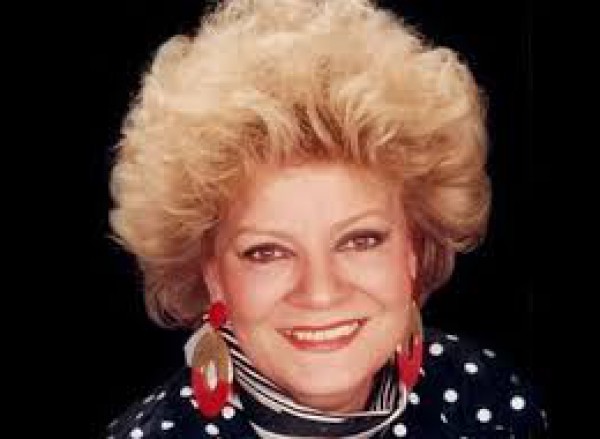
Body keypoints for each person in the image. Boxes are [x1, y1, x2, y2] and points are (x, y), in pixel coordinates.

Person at [105, 0, 546, 437]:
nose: (320, 293)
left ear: (413, 248)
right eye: (267, 252)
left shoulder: (489, 401)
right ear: (212, 275)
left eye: (360, 240)